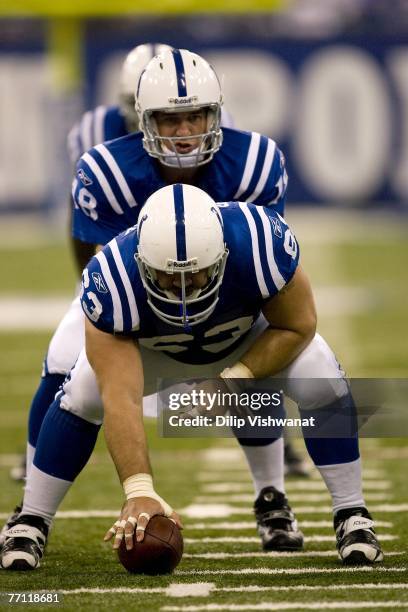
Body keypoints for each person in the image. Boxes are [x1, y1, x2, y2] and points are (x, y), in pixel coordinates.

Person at [1, 47, 296, 563]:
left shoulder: (252, 160)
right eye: (167, 118)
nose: (183, 131)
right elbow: (88, 242)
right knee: (62, 362)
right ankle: (31, 509)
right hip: (126, 282)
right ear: (138, 116)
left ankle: (272, 495)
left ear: (214, 113)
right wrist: (94, 296)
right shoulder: (103, 154)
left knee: (260, 359)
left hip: (222, 284)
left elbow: (263, 245)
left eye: (193, 116)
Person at [0, 184, 383, 571]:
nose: (182, 289)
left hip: (245, 340)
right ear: (141, 260)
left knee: (321, 372)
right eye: (166, 277)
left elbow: (298, 326)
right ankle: (32, 520)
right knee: (82, 391)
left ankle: (352, 513)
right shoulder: (112, 278)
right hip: (156, 352)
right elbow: (120, 396)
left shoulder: (260, 241)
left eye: (197, 274)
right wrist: (139, 490)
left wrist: (238, 376)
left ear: (223, 255)